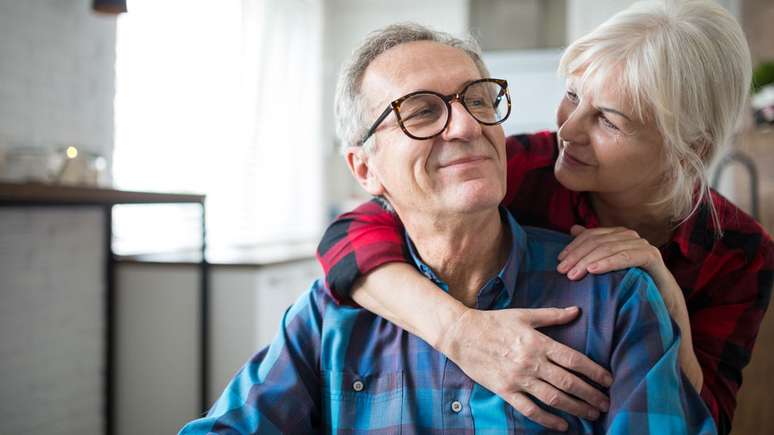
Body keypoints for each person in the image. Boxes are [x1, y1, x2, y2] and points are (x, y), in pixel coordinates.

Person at [181, 23, 715, 434]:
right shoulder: (328, 317)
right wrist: (457, 329)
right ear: (364, 169)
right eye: (420, 112)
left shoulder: (616, 298)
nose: (465, 126)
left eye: (480, 100)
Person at [316, 1, 774, 433]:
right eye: (572, 96)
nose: (568, 130)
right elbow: (348, 235)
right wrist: (459, 332)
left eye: (608, 121)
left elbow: (708, 416)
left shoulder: (739, 251)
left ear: (687, 149)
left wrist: (670, 304)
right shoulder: (526, 166)